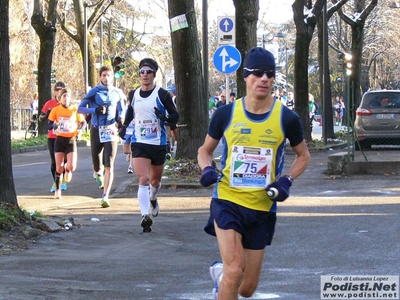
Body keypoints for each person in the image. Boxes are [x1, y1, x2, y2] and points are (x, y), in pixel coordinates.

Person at [197, 47, 310, 300]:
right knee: (235, 269)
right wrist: (206, 169)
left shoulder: (287, 118)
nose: (264, 79)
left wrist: (287, 180)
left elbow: (304, 156)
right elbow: (204, 150)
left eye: (270, 74)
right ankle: (226, 275)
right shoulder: (225, 114)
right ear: (245, 77)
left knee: (246, 288)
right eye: (258, 73)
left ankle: (220, 276)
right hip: (227, 200)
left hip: (262, 207)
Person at [119, 58, 179, 233]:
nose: (145, 75)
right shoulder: (134, 94)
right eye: (142, 72)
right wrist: (124, 126)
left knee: (155, 181)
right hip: (140, 143)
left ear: (154, 74)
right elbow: (131, 111)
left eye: (148, 72)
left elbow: (175, 117)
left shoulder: (163, 95)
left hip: (158, 143)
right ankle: (145, 216)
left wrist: (164, 118)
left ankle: (153, 198)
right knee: (143, 180)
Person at [78, 65, 126, 208]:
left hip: (110, 131)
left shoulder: (117, 92)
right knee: (97, 163)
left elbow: (122, 109)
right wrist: (95, 110)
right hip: (96, 130)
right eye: (104, 75)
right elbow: (80, 108)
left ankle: (105, 196)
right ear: (100, 77)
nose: (106, 78)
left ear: (113, 76)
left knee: (109, 164)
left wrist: (121, 119)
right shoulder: (94, 92)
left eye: (109, 75)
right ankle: (97, 172)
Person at [47, 88, 86, 199]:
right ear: (60, 99)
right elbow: (49, 125)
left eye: (67, 96)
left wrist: (80, 130)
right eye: (64, 96)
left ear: (70, 98)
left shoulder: (74, 109)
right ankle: (58, 189)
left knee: (71, 166)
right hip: (59, 139)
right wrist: (54, 126)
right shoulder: (55, 110)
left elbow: (83, 122)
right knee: (58, 167)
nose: (66, 98)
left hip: (71, 139)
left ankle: (68, 170)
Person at [39, 81, 68, 192]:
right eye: (57, 90)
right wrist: (47, 114)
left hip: (65, 136)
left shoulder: (68, 104)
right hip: (52, 136)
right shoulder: (49, 103)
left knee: (65, 160)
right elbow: (41, 118)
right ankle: (57, 183)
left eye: (61, 89)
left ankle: (63, 179)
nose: (58, 91)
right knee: (54, 161)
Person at [122, 91, 135, 174]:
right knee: (126, 151)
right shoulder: (127, 108)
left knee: (133, 149)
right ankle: (130, 155)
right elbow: (124, 118)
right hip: (127, 131)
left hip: (135, 130)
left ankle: (130, 166)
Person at [166, 85, 178, 156]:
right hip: (168, 118)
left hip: (174, 118)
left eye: (169, 91)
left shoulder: (175, 98)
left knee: (175, 133)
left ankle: (174, 146)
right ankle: (169, 149)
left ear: (172, 92)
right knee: (168, 134)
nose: (168, 92)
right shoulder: (166, 98)